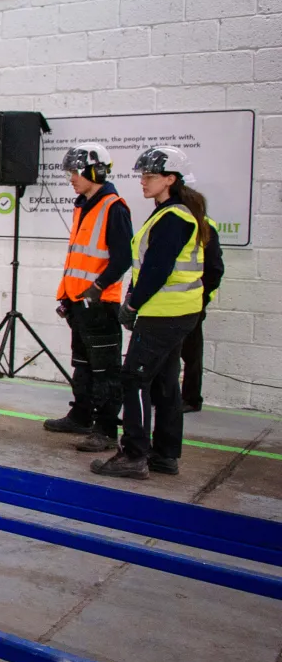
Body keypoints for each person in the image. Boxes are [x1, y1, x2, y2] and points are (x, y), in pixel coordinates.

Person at [92, 147, 209, 480]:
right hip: (177, 313)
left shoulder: (174, 217)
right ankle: (165, 455)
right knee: (165, 383)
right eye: (142, 175)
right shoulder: (174, 213)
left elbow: (158, 269)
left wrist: (132, 304)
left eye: (150, 176)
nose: (142, 181)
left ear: (170, 179)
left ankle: (133, 454)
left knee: (135, 378)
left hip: (163, 314)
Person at [42, 145, 133, 453]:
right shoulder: (83, 205)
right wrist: (68, 297)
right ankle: (81, 415)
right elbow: (78, 260)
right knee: (81, 363)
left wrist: (97, 288)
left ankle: (106, 431)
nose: (71, 179)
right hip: (79, 303)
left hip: (100, 304)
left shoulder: (113, 207)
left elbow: (123, 259)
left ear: (96, 172)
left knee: (105, 370)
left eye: (75, 173)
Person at [181, 220, 223, 413]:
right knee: (167, 354)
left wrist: (201, 298)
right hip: (169, 302)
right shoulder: (170, 221)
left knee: (191, 352)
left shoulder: (204, 228)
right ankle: (164, 396)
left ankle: (191, 399)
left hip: (193, 302)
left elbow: (214, 269)